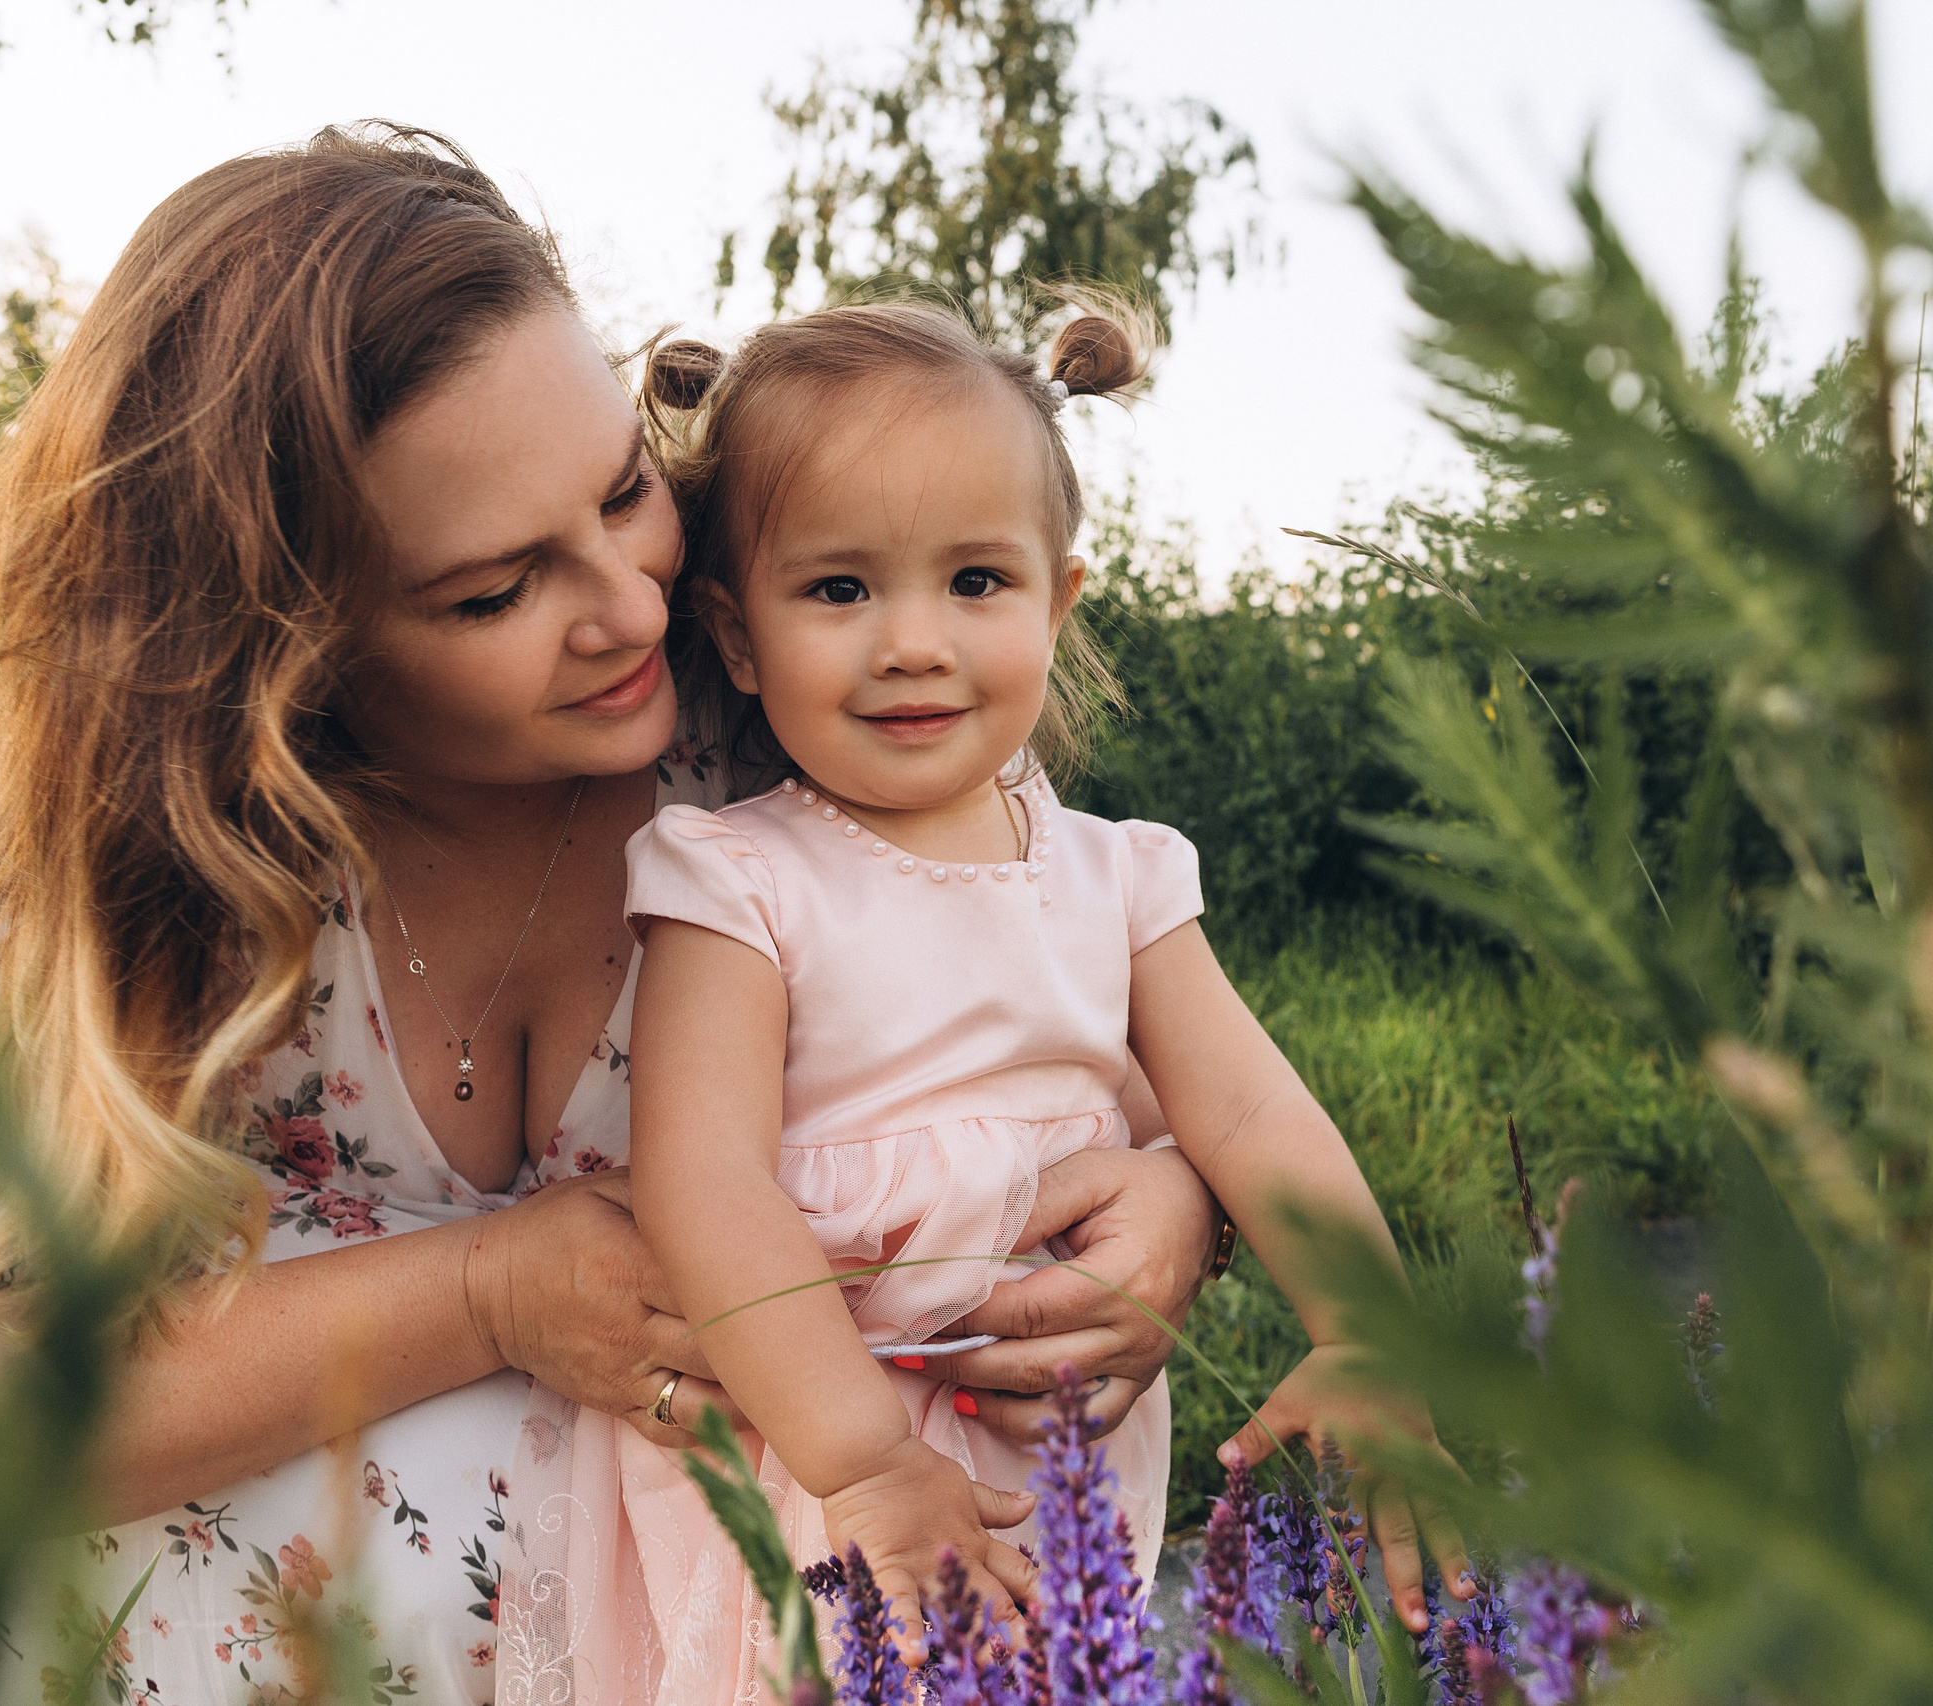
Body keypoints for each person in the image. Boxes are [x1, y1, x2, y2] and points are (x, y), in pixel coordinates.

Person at [0, 127, 1226, 1706]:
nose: (629, 604)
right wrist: (485, 1293)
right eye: (493, 591)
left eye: (623, 491)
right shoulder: (121, 871)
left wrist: (1179, 1210)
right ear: (286, 638)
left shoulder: (791, 725)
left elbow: (1110, 1037)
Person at [518, 299, 1471, 1701]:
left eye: (975, 580)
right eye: (839, 590)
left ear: (1057, 600)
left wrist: (1366, 1328)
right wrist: (862, 1459)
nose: (914, 642)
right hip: (817, 1445)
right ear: (736, 632)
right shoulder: (736, 876)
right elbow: (702, 1176)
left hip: (1046, 1458)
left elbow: (1251, 1109)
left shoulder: (1120, 876)